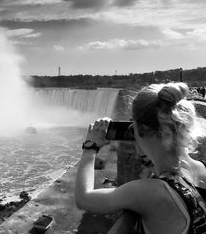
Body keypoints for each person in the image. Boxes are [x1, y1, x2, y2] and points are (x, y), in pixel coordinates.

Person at [75, 82, 206, 234]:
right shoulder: (202, 168)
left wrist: (90, 146)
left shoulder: (150, 192)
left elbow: (84, 198)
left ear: (140, 129)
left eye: (132, 126)